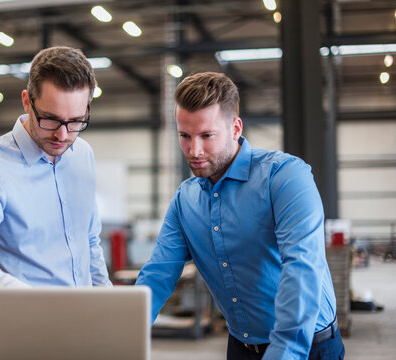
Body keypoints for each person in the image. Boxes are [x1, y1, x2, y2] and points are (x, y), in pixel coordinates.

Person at [135, 72, 344, 359]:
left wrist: (283, 354)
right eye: (185, 136)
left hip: (308, 347)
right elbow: (157, 274)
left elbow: (302, 270)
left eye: (207, 135)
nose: (194, 150)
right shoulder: (186, 200)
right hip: (242, 348)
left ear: (235, 128)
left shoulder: (285, 177)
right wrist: (121, 336)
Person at [0, 46, 111, 289]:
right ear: (27, 102)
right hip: (25, 321)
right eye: (50, 119)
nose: (62, 135)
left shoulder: (82, 155)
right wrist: (36, 304)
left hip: (85, 319)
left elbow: (88, 241)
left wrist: (107, 304)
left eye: (76, 121)